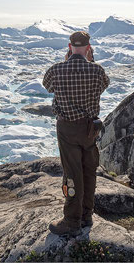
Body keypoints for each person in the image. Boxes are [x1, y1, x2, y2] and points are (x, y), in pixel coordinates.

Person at [42, 31, 110, 236]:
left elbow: (47, 87)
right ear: (89, 49)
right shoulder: (97, 71)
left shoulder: (56, 70)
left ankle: (71, 220)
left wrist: (66, 62)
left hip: (67, 129)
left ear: (69, 47)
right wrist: (91, 62)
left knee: (72, 173)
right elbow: (103, 87)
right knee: (89, 171)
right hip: (90, 129)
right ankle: (86, 215)